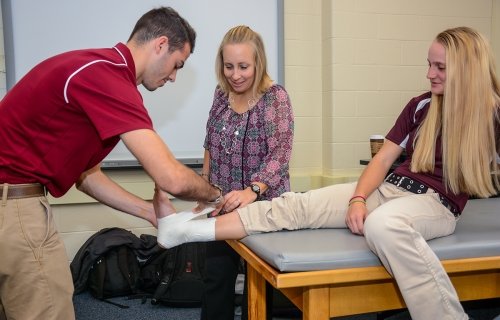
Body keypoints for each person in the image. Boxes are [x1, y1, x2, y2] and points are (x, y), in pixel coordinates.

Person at [156, 26, 500, 320]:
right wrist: (358, 198)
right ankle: (186, 232)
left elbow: (279, 153)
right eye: (429, 64)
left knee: (383, 225)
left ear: (466, 69)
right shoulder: (421, 105)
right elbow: (382, 162)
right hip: (392, 188)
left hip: (435, 204)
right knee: (297, 204)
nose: (429, 73)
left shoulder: (492, 114)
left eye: (439, 66)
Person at [0, 7, 225, 320]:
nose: (173, 77)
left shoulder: (95, 68)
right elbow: (171, 178)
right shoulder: (107, 76)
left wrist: (150, 212)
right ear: (160, 45)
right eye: (177, 65)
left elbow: (87, 176)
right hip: (15, 209)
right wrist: (215, 195)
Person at [198, 25, 294, 320]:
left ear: (258, 63)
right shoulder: (221, 93)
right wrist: (204, 190)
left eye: (243, 66)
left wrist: (252, 191)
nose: (235, 75)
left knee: (258, 288)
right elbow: (210, 142)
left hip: (262, 206)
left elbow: (280, 154)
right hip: (223, 205)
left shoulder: (274, 98)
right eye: (229, 66)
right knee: (216, 277)